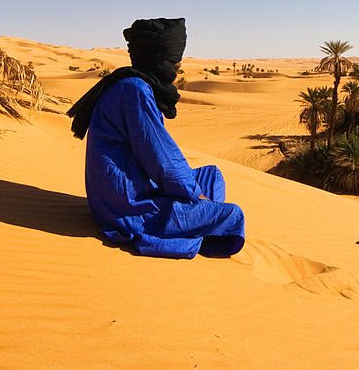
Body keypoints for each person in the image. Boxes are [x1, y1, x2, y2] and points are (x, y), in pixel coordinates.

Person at [67, 17, 245, 259]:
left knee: (212, 175)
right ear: (159, 59)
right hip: (128, 207)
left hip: (126, 193)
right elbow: (161, 160)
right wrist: (194, 194)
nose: (176, 69)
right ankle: (186, 234)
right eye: (174, 62)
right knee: (232, 216)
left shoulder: (130, 83)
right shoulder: (134, 90)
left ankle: (194, 221)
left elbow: (159, 158)